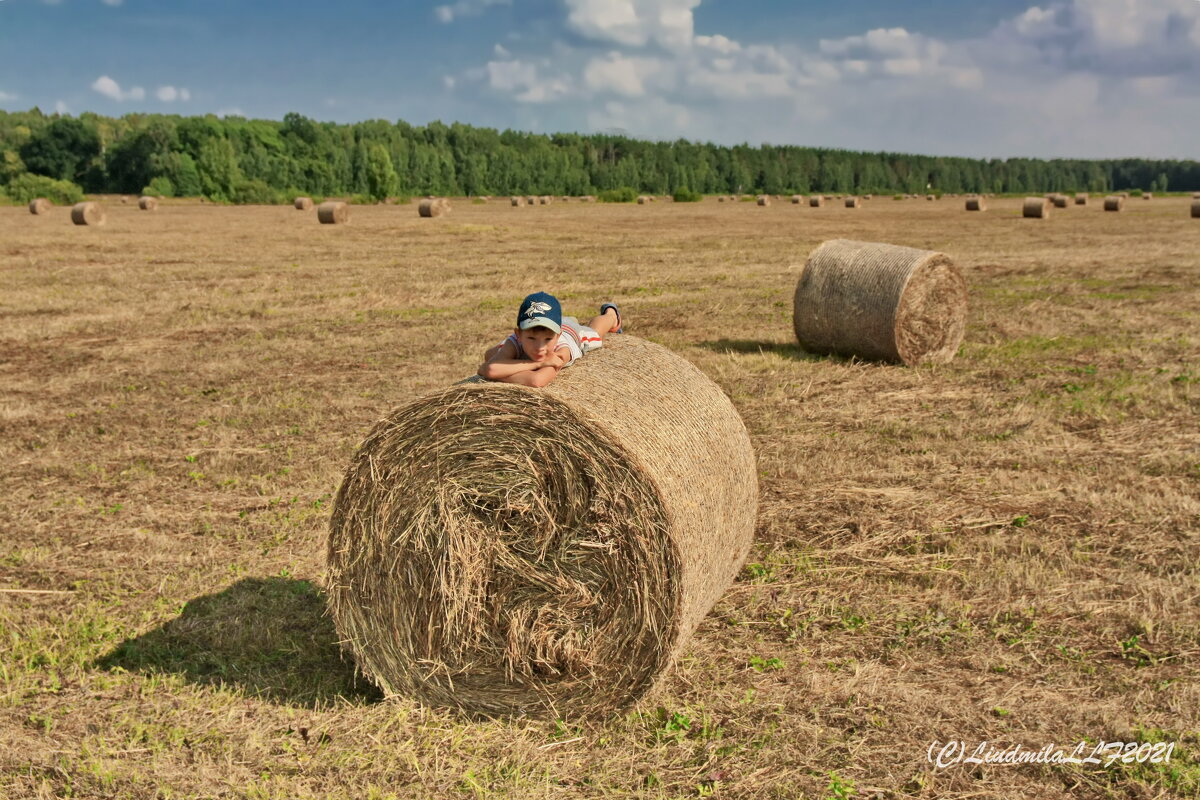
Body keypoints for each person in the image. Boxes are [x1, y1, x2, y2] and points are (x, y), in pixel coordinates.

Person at [477, 292, 622, 387]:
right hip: (550, 327)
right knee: (490, 354)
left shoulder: (561, 351)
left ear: (557, 336)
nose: (540, 347)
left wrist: (493, 374)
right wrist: (537, 363)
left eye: (547, 339)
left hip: (571, 332)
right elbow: (491, 369)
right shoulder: (515, 339)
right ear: (518, 334)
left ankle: (612, 316)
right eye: (532, 338)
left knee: (595, 333)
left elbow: (536, 381)